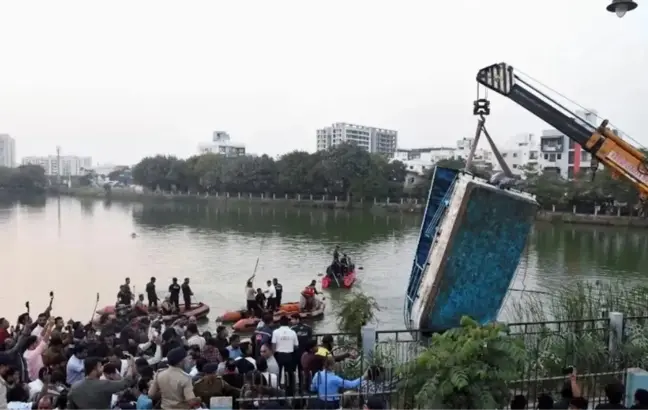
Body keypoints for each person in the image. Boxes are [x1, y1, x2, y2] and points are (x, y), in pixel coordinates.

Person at [66, 356, 135, 410]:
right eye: (100, 366)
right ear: (94, 369)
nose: (102, 368)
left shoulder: (74, 387)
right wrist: (130, 366)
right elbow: (125, 383)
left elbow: (70, 407)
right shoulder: (104, 384)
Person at [272, 315, 298, 393]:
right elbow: (296, 346)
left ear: (280, 323)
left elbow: (273, 345)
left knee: (278, 373)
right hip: (289, 355)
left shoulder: (275, 332)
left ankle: (278, 390)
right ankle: (290, 391)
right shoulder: (293, 332)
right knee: (290, 374)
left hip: (278, 355)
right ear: (288, 323)